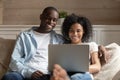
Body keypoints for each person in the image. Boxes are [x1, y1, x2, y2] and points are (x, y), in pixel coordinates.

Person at [1, 6, 65, 80]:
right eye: (48, 18)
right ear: (41, 17)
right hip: (24, 73)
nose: (51, 22)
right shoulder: (24, 36)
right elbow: (14, 61)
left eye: (54, 20)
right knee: (9, 77)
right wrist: (29, 73)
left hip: (46, 75)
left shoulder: (59, 39)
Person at [51, 14, 101, 80]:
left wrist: (79, 69)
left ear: (84, 31)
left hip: (84, 74)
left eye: (78, 31)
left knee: (75, 77)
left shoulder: (91, 45)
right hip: (67, 74)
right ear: (68, 31)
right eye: (71, 31)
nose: (75, 34)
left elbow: (97, 66)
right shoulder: (63, 46)